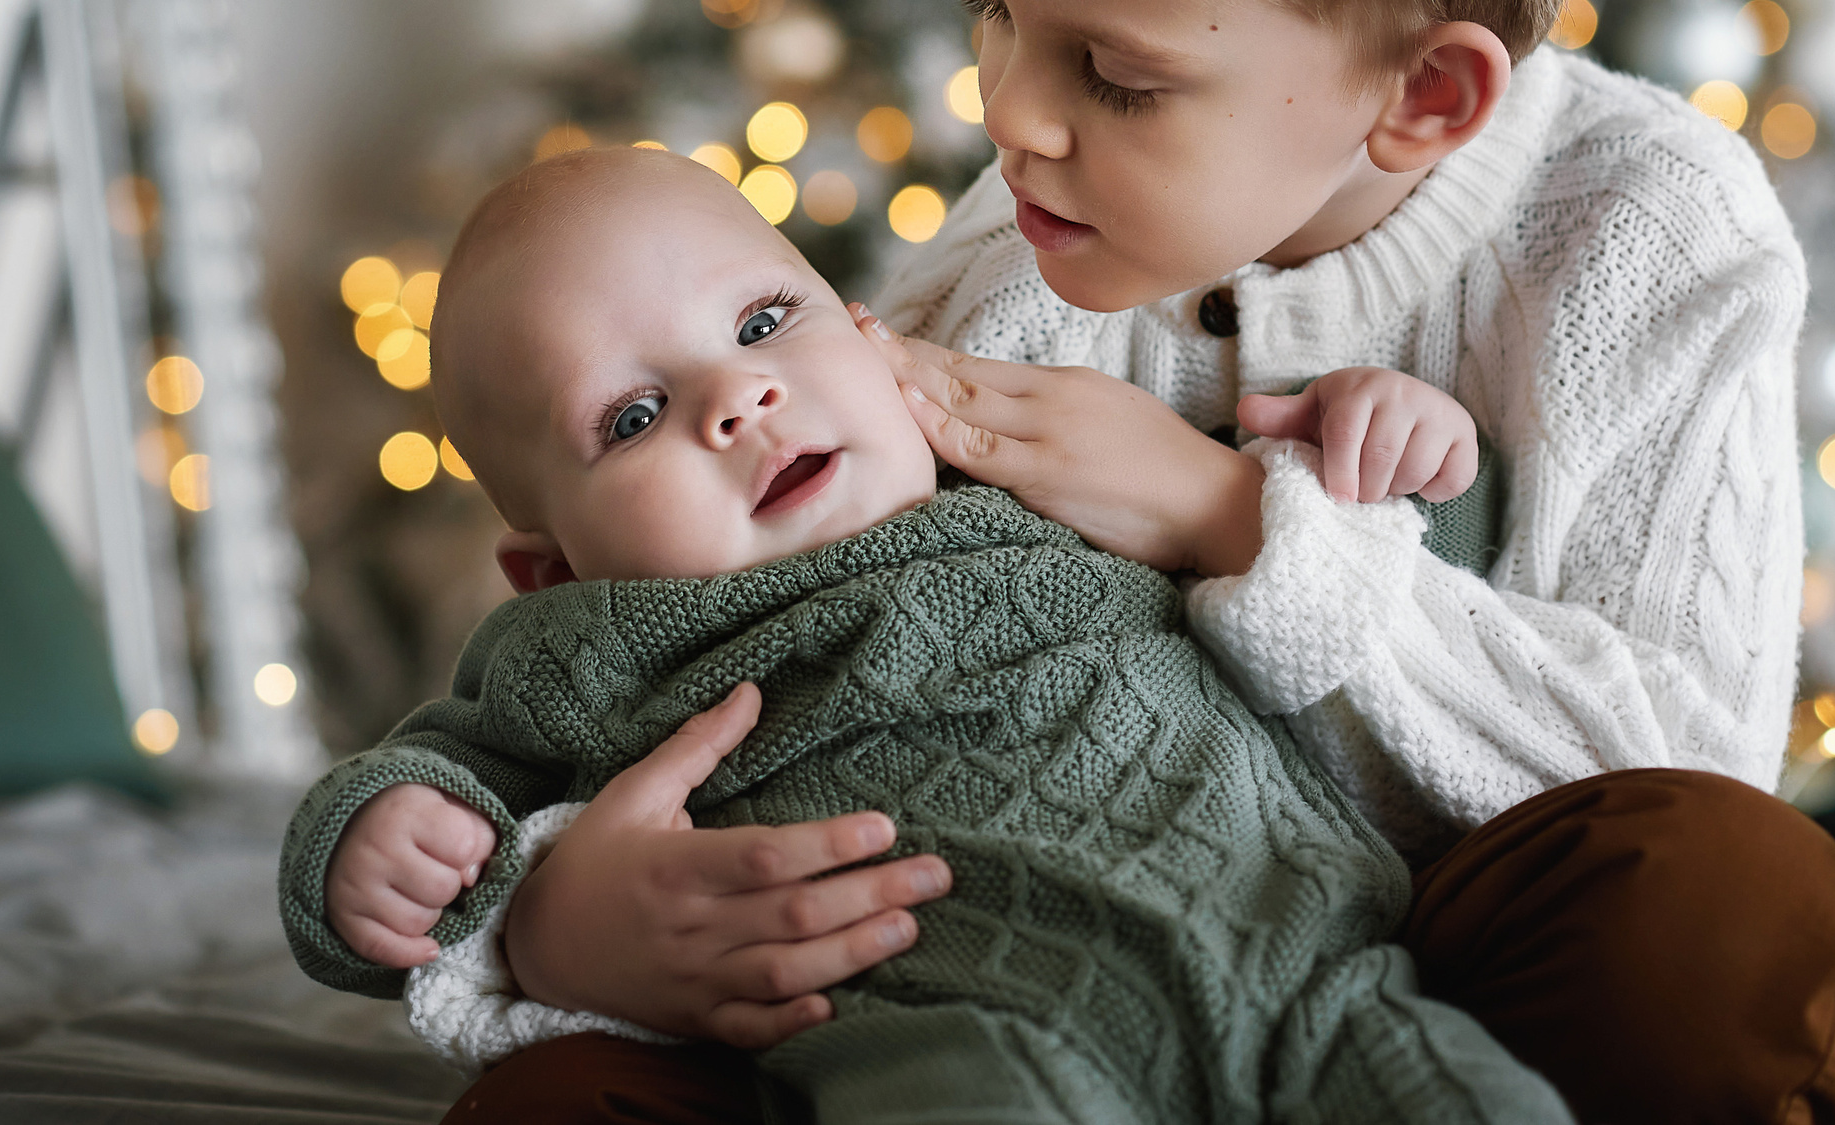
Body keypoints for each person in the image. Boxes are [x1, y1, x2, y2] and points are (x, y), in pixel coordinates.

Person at [358, 0, 1835, 1124]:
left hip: (1420, 972)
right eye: (996, 8)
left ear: (1426, 98)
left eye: (1113, 70)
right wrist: (554, 923)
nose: (1014, 114)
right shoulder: (998, 266)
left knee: (1736, 916)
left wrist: (1239, 520)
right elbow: (759, 666)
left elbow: (1671, 766)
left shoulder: (1647, 235)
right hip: (1011, 998)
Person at [279, 147, 1568, 1123]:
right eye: (629, 417)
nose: (740, 399)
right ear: (553, 569)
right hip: (964, 1033)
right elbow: (438, 794)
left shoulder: (1051, 467)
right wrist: (367, 845)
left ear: (868, 331)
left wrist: (1400, 452)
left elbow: (1371, 598)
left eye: (765, 322)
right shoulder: (598, 654)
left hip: (1309, 958)